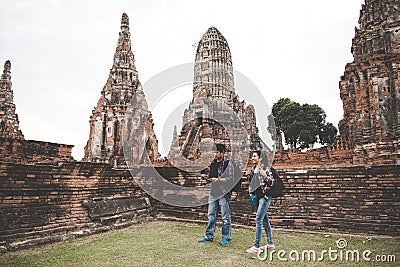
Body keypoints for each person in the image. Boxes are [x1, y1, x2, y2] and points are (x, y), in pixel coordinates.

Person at [198, 143, 234, 246]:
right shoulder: (213, 163)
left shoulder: (228, 163)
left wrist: (218, 180)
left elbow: (231, 179)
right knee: (211, 215)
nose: (215, 154)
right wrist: (205, 177)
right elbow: (210, 175)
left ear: (222, 153)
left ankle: (226, 237)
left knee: (225, 217)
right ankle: (209, 235)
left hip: (223, 193)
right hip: (213, 192)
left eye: (217, 152)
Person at [246, 150, 276, 253]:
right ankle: (270, 243)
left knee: (258, 219)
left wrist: (265, 176)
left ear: (260, 158)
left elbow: (272, 182)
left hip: (265, 197)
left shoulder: (265, 168)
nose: (252, 158)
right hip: (258, 197)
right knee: (264, 220)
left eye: (254, 156)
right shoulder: (253, 169)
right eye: (252, 156)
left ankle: (256, 246)